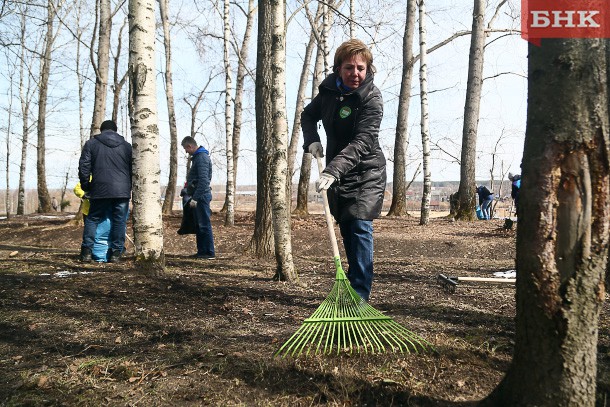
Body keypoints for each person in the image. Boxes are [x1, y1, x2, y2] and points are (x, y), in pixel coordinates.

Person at [301, 39, 386, 302]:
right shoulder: (328, 91)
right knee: (348, 229)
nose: (355, 74)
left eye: (361, 68)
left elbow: (363, 142)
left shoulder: (371, 98)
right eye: (349, 67)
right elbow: (308, 115)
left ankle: (359, 298)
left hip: (366, 173)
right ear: (339, 69)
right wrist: (311, 139)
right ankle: (351, 288)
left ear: (368, 69)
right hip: (340, 172)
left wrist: (332, 170)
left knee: (359, 227)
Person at [78, 120, 132, 263]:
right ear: (116, 130)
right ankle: (115, 253)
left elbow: (84, 166)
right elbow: (134, 169)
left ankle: (86, 252)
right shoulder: (127, 146)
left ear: (101, 130)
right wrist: (129, 187)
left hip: (99, 188)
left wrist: (86, 185)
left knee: (93, 219)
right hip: (122, 190)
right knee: (119, 221)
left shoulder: (91, 144)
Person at [181, 136, 215, 259]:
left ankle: (209, 252)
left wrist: (195, 198)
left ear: (190, 146)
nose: (186, 151)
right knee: (199, 225)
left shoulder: (201, 158)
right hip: (198, 195)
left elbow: (204, 181)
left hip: (202, 196)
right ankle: (202, 251)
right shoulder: (198, 158)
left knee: (204, 224)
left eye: (185, 148)